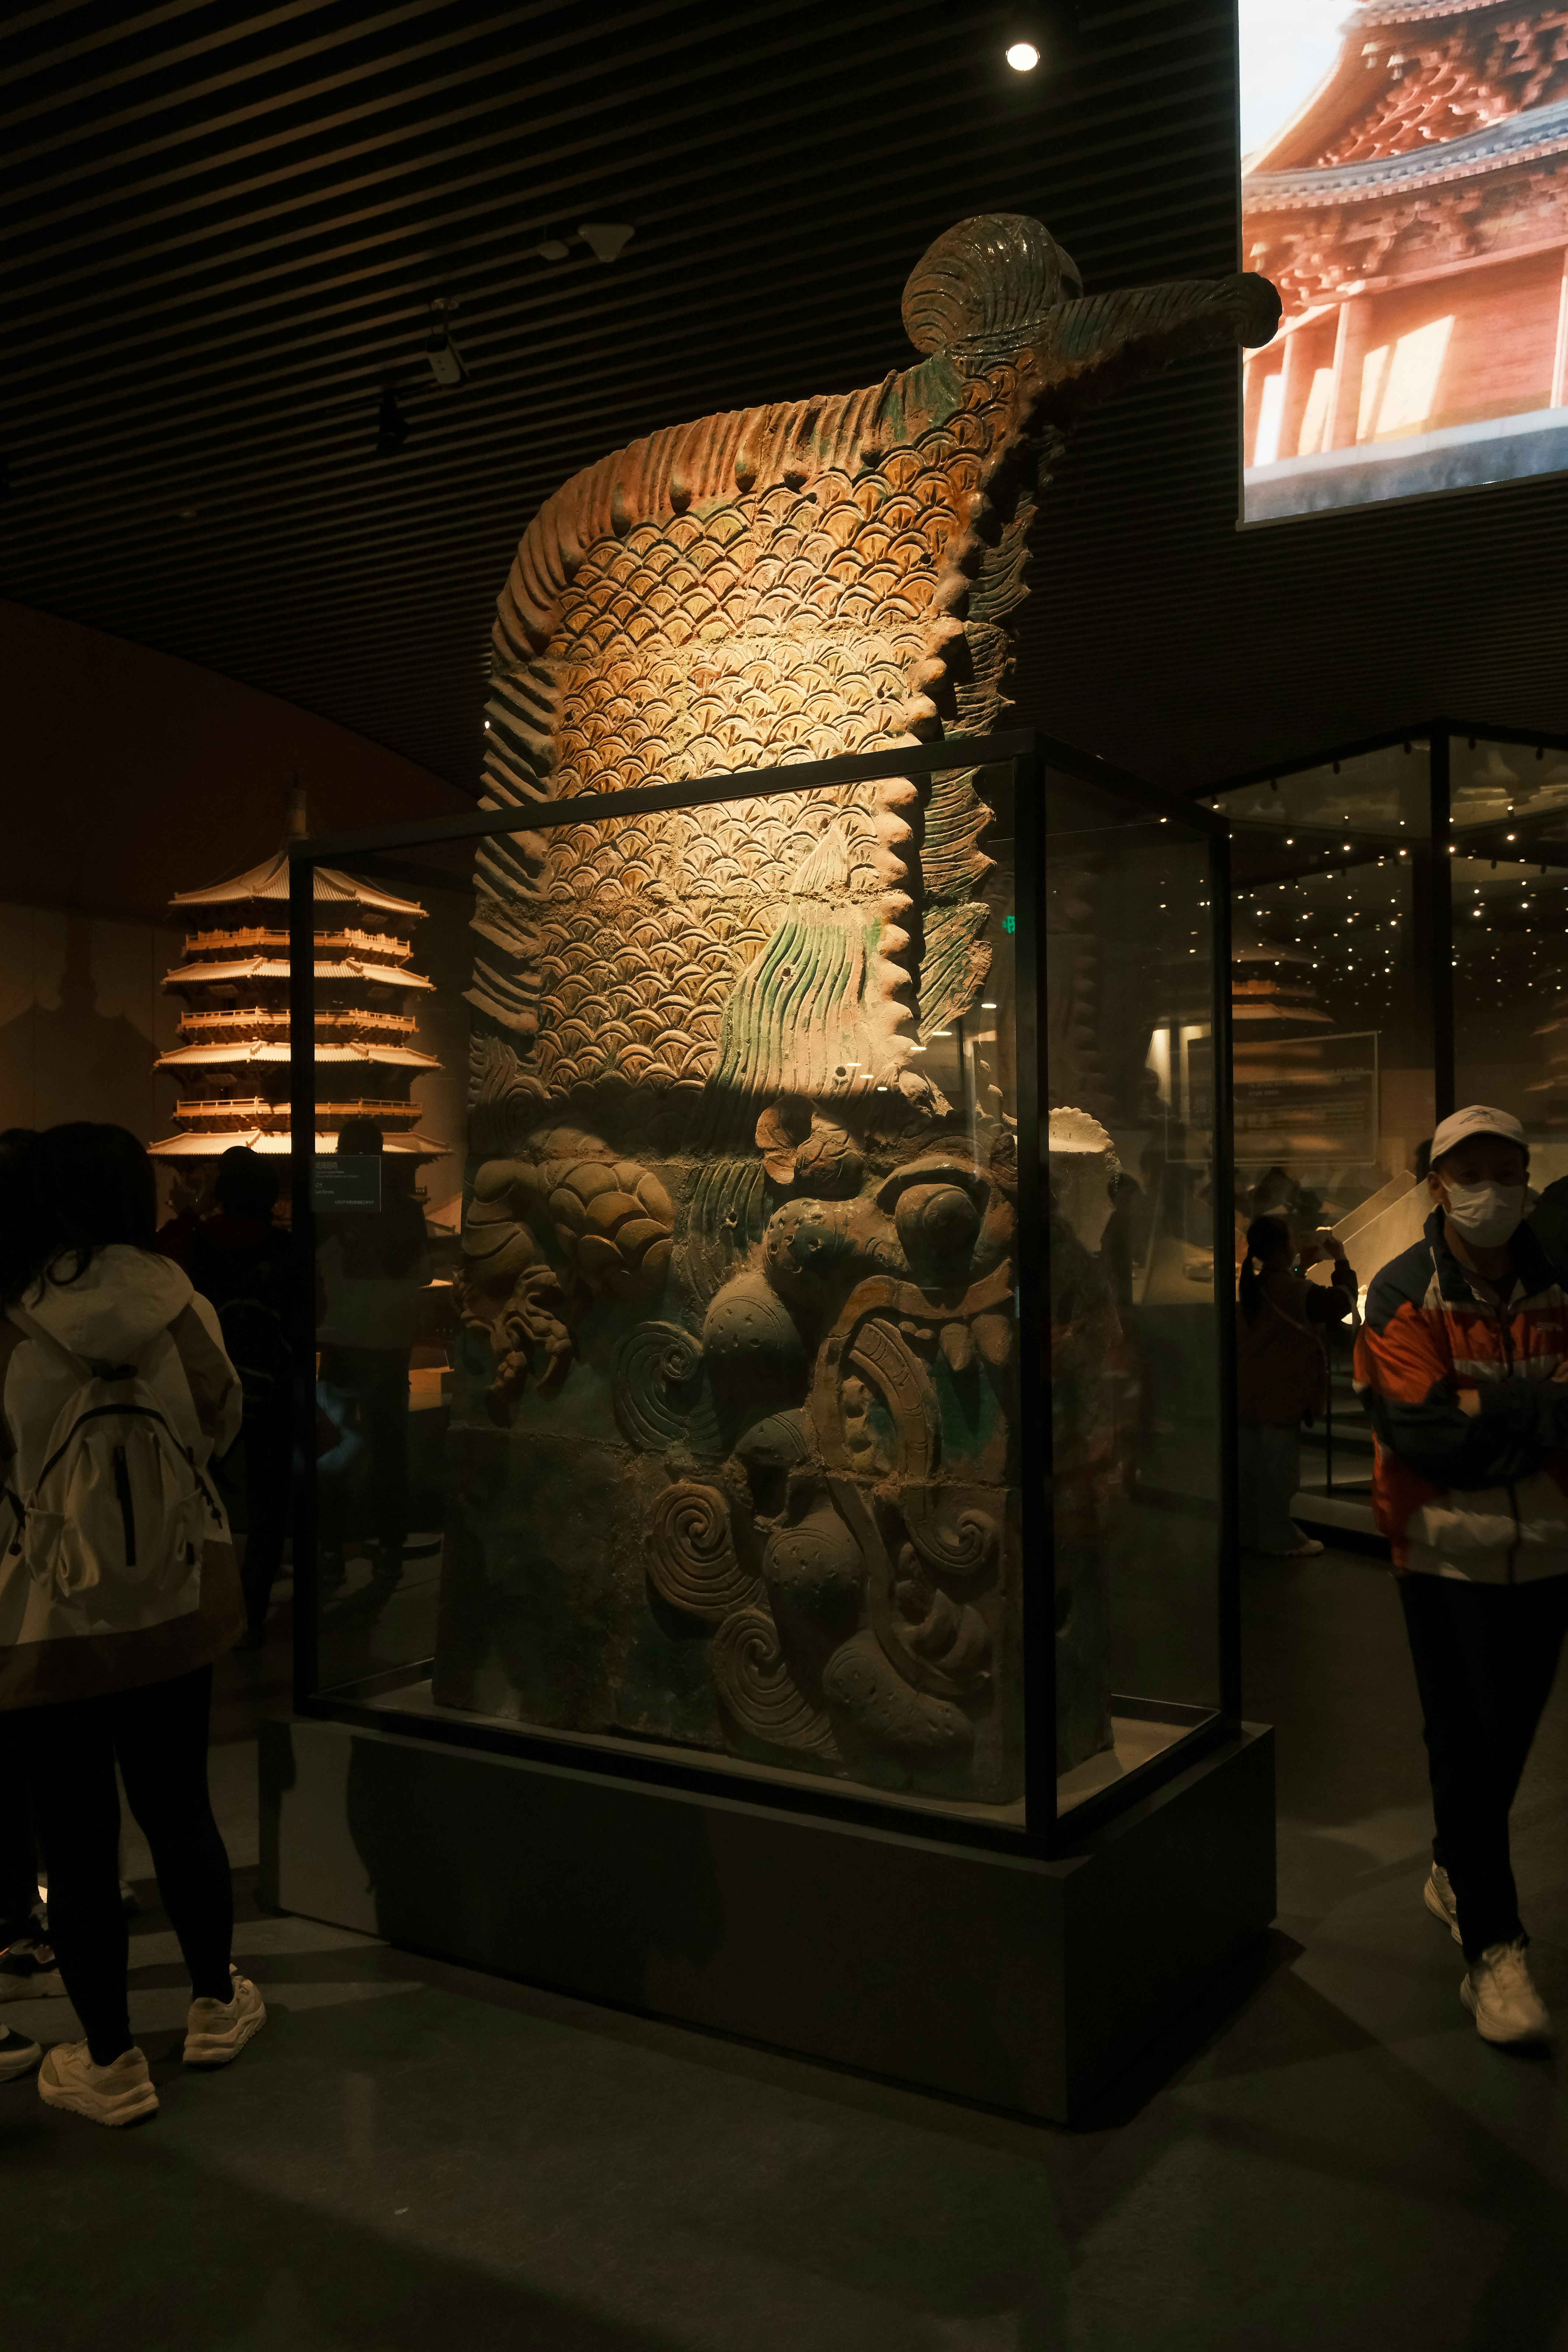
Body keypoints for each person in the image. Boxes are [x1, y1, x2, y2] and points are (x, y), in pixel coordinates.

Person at [0, 1122, 266, 2124]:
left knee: (75, 1839)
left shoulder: (14, 1319)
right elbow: (223, 1416)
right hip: (171, 1603)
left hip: (47, 1615)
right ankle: (212, 2003)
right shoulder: (179, 1302)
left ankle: (109, 2061)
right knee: (178, 1803)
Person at [1356, 1103, 1568, 2048]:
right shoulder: (1399, 1291)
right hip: (1443, 1553)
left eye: (1507, 1169)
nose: (1492, 1189)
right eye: (1470, 1171)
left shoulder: (1557, 1284)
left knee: (1507, 1735)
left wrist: (1491, 1405)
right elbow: (1427, 1433)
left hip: (1551, 1549)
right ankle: (1492, 1941)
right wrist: (1531, 1412)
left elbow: (1498, 1421)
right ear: (1436, 1182)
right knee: (1466, 1741)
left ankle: (1454, 1866)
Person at [187, 1147, 298, 1648]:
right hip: (270, 1387)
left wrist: (199, 1205)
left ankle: (198, 1599)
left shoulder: (196, 1245)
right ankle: (252, 1605)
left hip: (205, 1386)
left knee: (198, 1493)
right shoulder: (287, 1249)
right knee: (270, 1500)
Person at [315, 1117, 431, 1584]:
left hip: (340, 1338)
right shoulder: (406, 1210)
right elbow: (423, 1276)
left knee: (335, 1446)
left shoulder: (327, 1211)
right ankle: (389, 1548)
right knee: (390, 1447)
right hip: (389, 1342)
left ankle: (330, 1549)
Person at [1235, 1213, 1357, 1559]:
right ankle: (1278, 1536)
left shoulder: (1253, 1285)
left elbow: (1285, 1289)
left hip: (1248, 1392)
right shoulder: (1295, 1290)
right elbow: (1343, 1303)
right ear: (1282, 1247)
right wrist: (1342, 1260)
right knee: (1278, 1474)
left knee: (1249, 1472)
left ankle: (1249, 1532)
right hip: (1281, 1394)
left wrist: (1300, 1268)